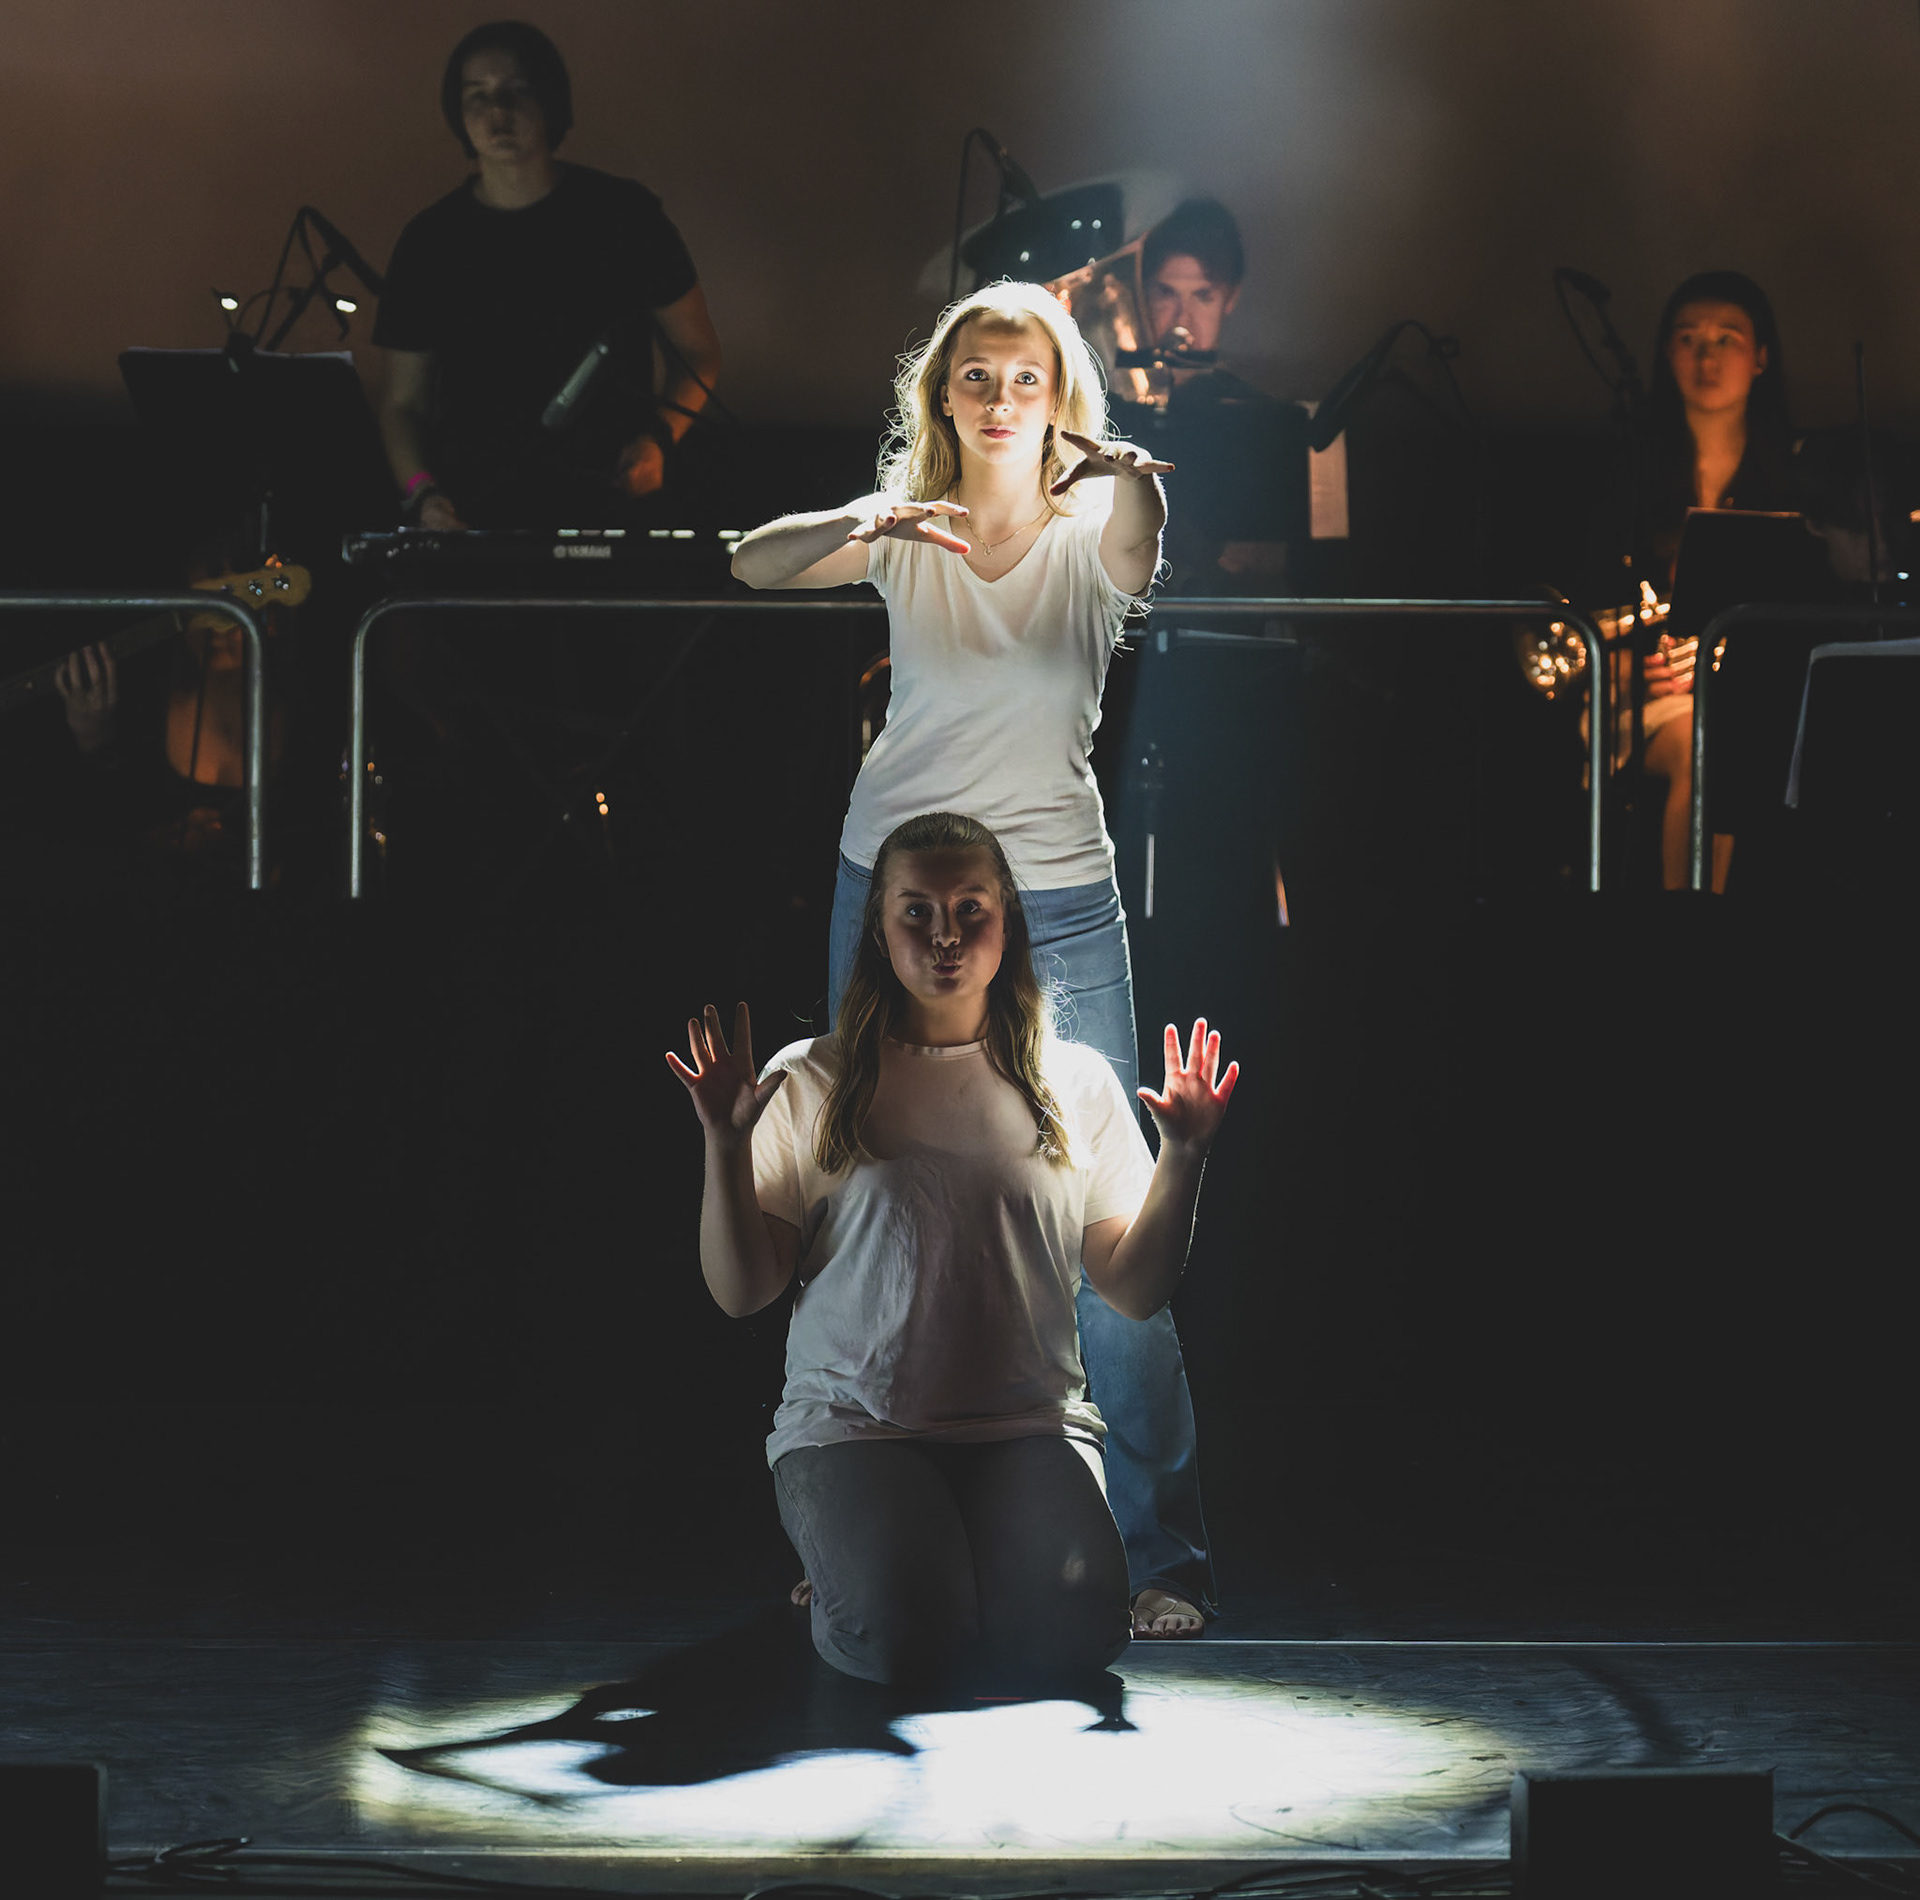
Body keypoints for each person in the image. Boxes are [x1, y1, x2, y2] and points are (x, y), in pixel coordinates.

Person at [729, 283, 1219, 1638]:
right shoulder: (907, 526)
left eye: (1026, 378)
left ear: (1062, 399)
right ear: (942, 394)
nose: (1001, 399)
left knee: (1103, 1213)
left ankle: (1163, 1553)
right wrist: (862, 520)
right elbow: (752, 565)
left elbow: (1140, 541)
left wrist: (1125, 476)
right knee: (857, 1187)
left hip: (1053, 896)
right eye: (977, 377)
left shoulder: (1089, 529)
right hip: (893, 887)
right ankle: (844, 1509)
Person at [666, 811, 1238, 1689]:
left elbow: (1134, 1289)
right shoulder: (809, 1077)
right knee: (906, 1641)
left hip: (1025, 1429)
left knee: (1076, 1634)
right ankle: (855, 1569)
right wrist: (723, 1145)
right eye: (917, 912)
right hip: (856, 1428)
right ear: (879, 927)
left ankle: (918, 1555)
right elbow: (744, 1292)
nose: (945, 935)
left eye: (971, 909)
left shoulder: (1074, 1081)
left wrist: (1186, 1157)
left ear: (1007, 924)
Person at [373, 19, 722, 528]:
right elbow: (403, 403)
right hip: (474, 513)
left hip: (611, 505)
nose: (498, 111)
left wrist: (657, 439)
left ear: (551, 100)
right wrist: (422, 493)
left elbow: (699, 352)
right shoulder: (430, 241)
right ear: (458, 112)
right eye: (477, 95)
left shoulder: (625, 217)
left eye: (517, 90)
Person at [1628, 271, 1796, 891]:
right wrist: (1628, 668)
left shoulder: (1794, 477)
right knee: (1702, 744)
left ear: (1761, 358)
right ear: (1665, 353)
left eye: (1727, 338)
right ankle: (1690, 925)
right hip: (1644, 697)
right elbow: (1586, 598)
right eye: (1688, 339)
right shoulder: (1628, 471)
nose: (1706, 357)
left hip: (1749, 690)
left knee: (1734, 732)